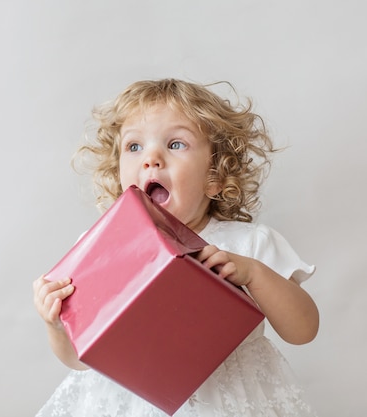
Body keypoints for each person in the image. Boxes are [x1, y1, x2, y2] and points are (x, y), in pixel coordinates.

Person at [32, 79, 320, 417]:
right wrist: (55, 324)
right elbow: (80, 360)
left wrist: (254, 274)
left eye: (176, 144)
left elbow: (303, 330)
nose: (151, 158)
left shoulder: (248, 244)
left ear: (214, 175)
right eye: (134, 147)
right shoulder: (101, 250)